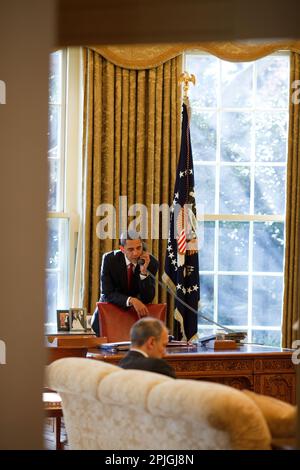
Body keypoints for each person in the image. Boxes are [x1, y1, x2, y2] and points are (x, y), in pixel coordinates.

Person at [91, 232, 159, 336]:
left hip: (134, 320)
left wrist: (143, 272)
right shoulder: (110, 259)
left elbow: (148, 298)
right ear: (122, 249)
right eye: (131, 249)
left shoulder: (150, 262)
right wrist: (131, 300)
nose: (136, 253)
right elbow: (107, 293)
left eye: (138, 248)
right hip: (108, 315)